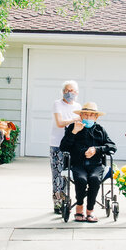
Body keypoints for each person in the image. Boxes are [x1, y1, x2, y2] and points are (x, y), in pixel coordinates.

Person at [59, 102, 116, 223]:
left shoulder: (100, 130)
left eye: (91, 115)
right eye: (85, 114)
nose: (88, 117)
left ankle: (90, 210)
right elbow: (63, 147)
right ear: (81, 116)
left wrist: (97, 149)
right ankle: (79, 207)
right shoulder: (73, 127)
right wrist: (74, 132)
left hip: (96, 165)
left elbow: (112, 146)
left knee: (94, 179)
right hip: (78, 164)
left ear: (96, 117)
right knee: (81, 180)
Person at [50, 80, 81, 214]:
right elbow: (60, 123)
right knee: (57, 175)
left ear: (77, 93)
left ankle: (65, 202)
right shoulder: (57, 104)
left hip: (71, 145)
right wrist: (74, 120)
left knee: (67, 175)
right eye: (67, 90)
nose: (69, 93)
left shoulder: (78, 106)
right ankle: (57, 203)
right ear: (63, 92)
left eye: (72, 90)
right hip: (57, 145)